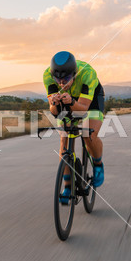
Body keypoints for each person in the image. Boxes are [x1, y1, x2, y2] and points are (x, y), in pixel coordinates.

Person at [43, 51, 105, 204]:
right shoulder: (48, 76)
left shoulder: (87, 74)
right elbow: (55, 112)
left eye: (66, 79)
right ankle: (68, 186)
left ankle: (98, 164)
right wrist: (54, 103)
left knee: (88, 134)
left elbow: (83, 109)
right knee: (64, 141)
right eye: (58, 79)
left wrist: (71, 102)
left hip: (91, 100)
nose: (61, 83)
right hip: (67, 99)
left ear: (75, 73)